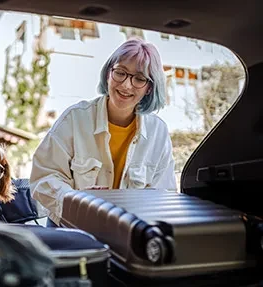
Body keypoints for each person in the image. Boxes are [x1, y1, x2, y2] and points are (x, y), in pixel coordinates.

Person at [30, 38, 177, 227]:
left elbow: (164, 196)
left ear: (149, 87)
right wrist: (77, 202)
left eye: (139, 79)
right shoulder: (74, 119)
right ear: (108, 73)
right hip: (71, 227)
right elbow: (44, 176)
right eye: (120, 73)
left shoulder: (158, 133)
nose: (126, 85)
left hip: (128, 232)